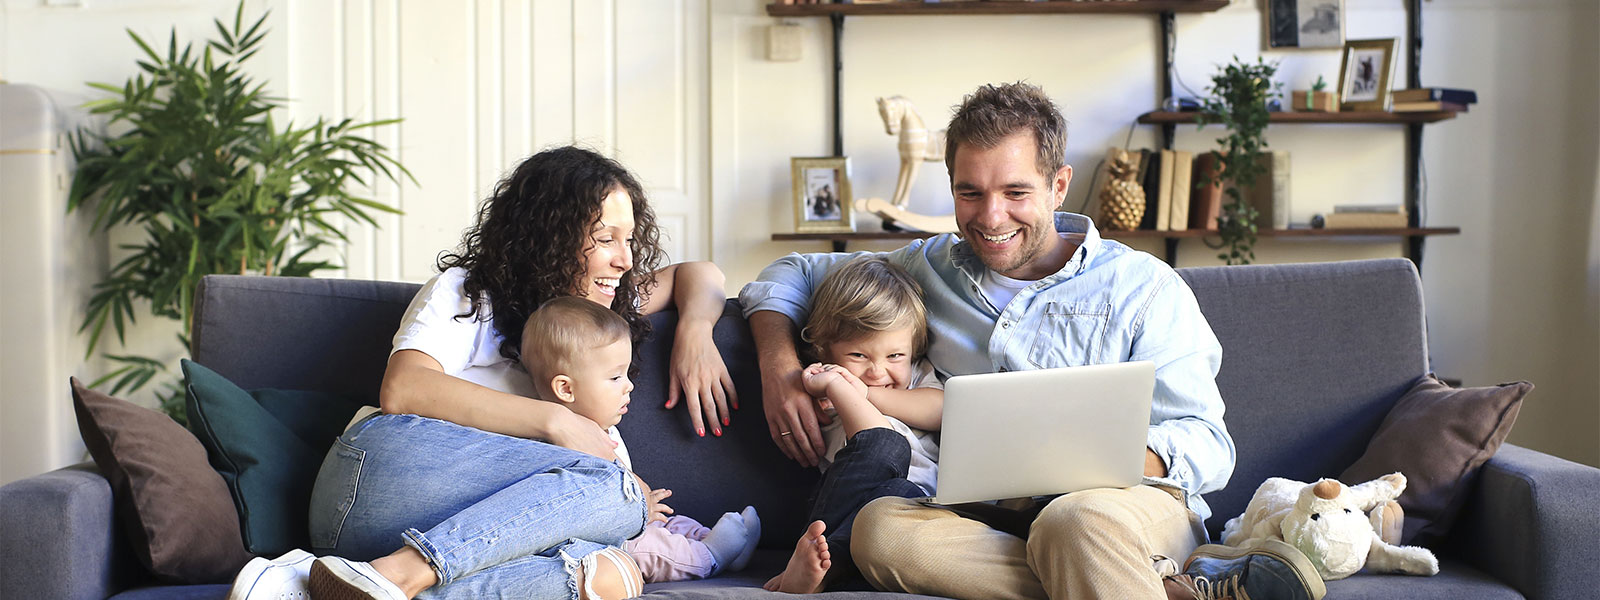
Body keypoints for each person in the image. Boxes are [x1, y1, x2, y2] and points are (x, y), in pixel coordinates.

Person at [738, 82, 1325, 600]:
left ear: (1059, 185)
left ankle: (1120, 561)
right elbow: (789, 273)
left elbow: (1208, 442)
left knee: (1075, 521)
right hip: (977, 514)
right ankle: (1165, 587)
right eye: (970, 193)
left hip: (1122, 507)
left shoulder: (1142, 286)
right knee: (879, 531)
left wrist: (1096, 460)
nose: (991, 218)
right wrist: (779, 368)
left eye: (1016, 192)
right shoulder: (923, 268)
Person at [228, 145, 738, 600]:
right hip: (377, 482)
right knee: (617, 491)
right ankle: (405, 572)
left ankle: (317, 585)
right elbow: (404, 388)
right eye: (606, 238)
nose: (625, 260)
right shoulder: (469, 293)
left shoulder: (596, 314)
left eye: (629, 239)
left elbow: (701, 274)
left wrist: (695, 331)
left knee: (613, 573)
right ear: (552, 238)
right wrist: (555, 422)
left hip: (452, 532)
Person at [518, 296, 762, 583]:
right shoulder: (559, 442)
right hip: (604, 540)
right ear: (565, 389)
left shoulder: (603, 428)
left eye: (627, 373)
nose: (629, 385)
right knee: (648, 549)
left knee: (671, 524)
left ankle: (722, 544)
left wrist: (644, 503)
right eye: (615, 378)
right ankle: (710, 557)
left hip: (631, 519)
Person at [758, 256, 944, 594]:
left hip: (912, 507)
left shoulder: (915, 375)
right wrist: (839, 388)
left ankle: (822, 576)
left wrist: (863, 391)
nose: (877, 371)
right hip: (845, 507)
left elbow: (940, 409)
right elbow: (877, 439)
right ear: (822, 348)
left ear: (914, 348)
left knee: (900, 494)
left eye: (895, 356)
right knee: (885, 449)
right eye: (859, 356)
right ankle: (813, 562)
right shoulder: (823, 384)